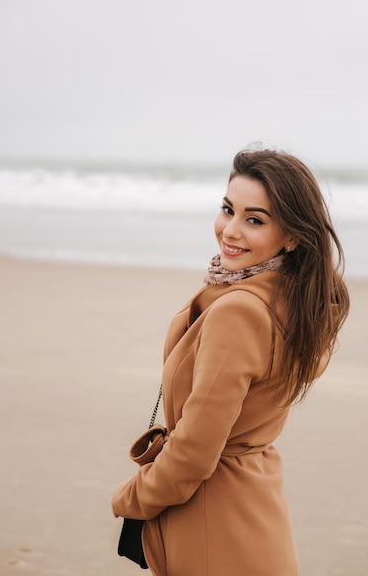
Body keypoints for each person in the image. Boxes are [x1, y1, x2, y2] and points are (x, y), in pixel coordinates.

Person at [112, 148, 350, 575]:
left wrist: (132, 496)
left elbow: (195, 452)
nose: (230, 230)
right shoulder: (296, 302)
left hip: (213, 518)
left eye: (254, 219)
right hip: (257, 504)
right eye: (228, 210)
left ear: (292, 236)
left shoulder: (239, 311)